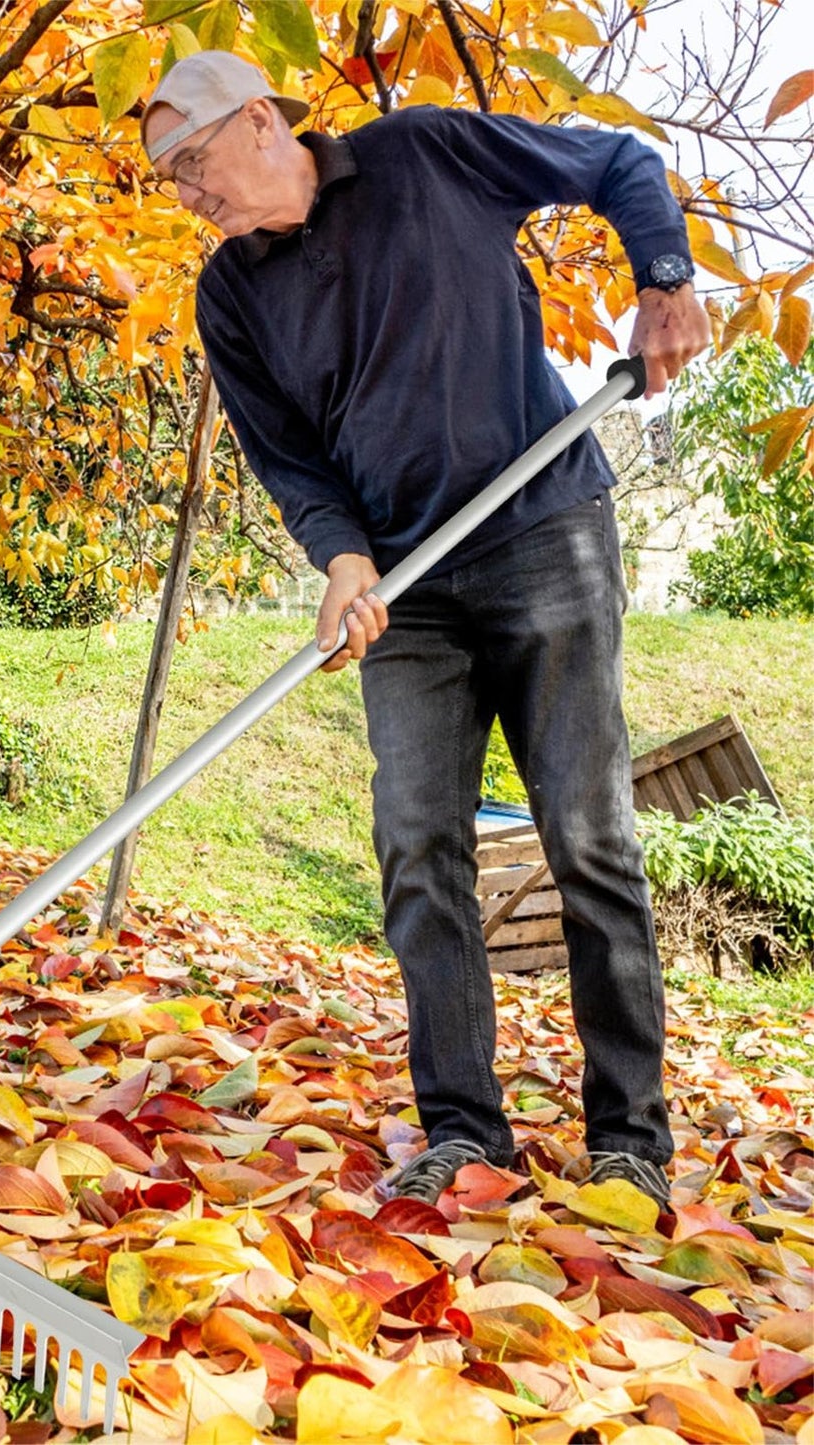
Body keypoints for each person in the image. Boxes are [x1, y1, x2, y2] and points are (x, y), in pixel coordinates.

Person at [141, 51, 711, 1208]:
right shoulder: (229, 295)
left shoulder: (425, 152)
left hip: (542, 529)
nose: (185, 194)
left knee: (586, 837)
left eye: (191, 163)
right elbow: (287, 457)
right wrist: (343, 556)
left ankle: (629, 1141)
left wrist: (661, 277)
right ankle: (462, 1126)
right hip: (402, 585)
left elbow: (614, 161)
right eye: (168, 180)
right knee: (415, 848)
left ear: (260, 121)